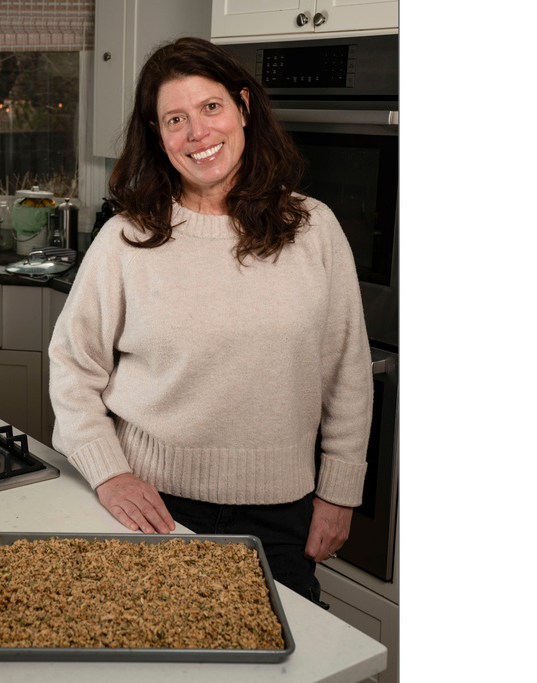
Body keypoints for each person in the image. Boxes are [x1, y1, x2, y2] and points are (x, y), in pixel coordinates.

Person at [48, 37, 372, 606]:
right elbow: (73, 367)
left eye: (211, 107)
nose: (197, 133)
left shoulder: (314, 229)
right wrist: (109, 473)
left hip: (281, 516)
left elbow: (345, 370)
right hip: (155, 509)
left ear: (243, 108)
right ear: (158, 136)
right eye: (175, 119)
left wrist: (340, 492)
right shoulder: (126, 239)